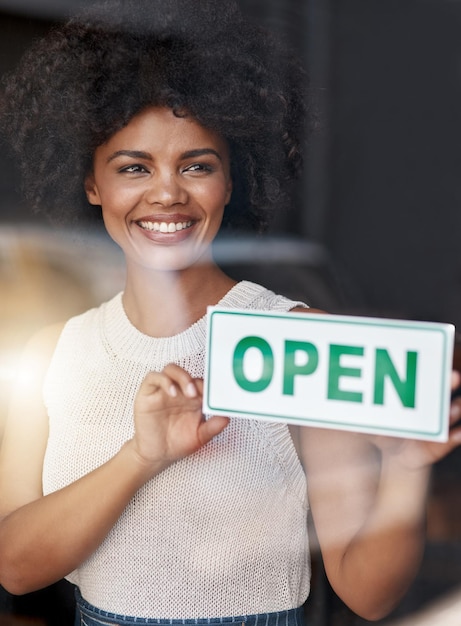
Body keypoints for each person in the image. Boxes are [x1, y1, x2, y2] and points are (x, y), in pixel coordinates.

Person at [0, 1, 460, 624]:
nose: (167, 192)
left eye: (197, 166)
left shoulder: (301, 342)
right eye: (133, 167)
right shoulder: (51, 354)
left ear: (231, 180)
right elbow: (16, 566)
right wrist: (143, 455)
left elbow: (366, 593)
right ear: (92, 185)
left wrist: (406, 473)